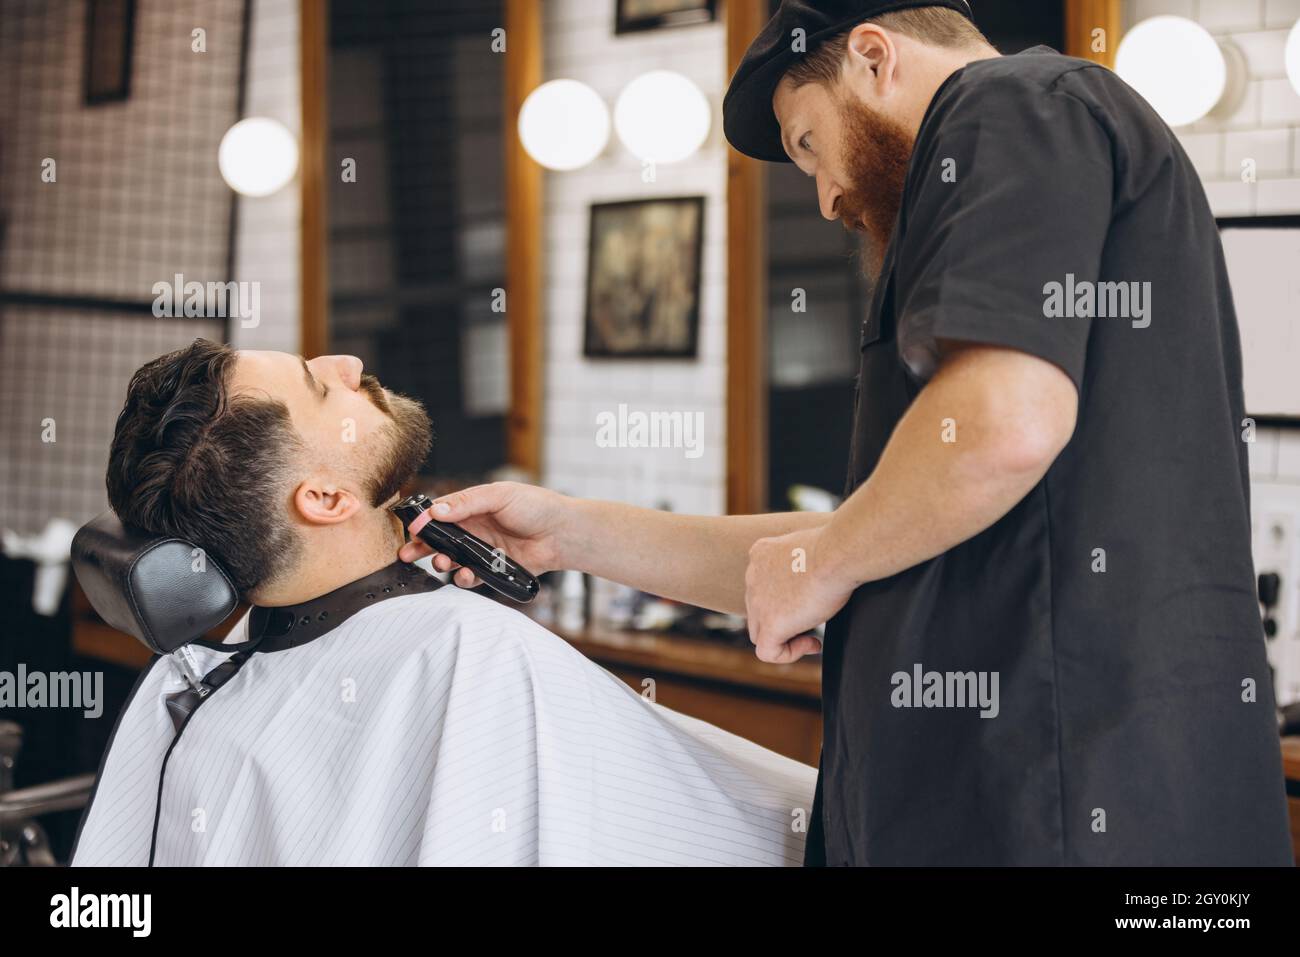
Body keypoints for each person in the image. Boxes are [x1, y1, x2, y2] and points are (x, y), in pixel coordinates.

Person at [402, 0, 1293, 865]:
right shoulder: (1012, 164)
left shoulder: (1013, 103)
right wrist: (563, 530)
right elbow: (865, 532)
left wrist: (820, 566)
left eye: (808, 145)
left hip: (1070, 806)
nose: (824, 196)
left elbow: (1004, 425)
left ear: (874, 55)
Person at [72, 340, 814, 866]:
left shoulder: (201, 686)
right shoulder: (475, 654)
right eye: (320, 385)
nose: (349, 364)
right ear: (325, 497)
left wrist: (567, 531)